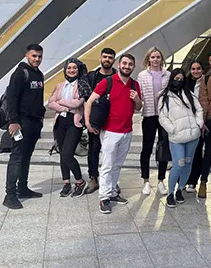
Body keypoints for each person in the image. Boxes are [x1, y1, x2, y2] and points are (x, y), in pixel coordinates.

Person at [84, 54, 143, 214]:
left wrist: (137, 99)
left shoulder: (135, 85)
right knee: (108, 165)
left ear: (133, 66)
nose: (127, 66)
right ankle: (104, 197)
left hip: (127, 131)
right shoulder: (107, 82)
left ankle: (112, 192)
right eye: (124, 63)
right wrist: (88, 122)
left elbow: (138, 107)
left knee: (117, 165)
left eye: (130, 64)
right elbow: (89, 102)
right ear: (119, 64)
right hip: (110, 131)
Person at [3, 44, 46, 209]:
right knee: (17, 157)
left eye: (40, 56)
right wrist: (13, 121)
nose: (37, 59)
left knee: (26, 156)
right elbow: (12, 98)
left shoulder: (39, 74)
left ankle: (22, 188)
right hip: (21, 122)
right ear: (27, 55)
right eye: (34, 56)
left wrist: (41, 118)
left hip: (34, 122)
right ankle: (10, 195)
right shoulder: (20, 73)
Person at [158, 69, 204, 207]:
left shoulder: (189, 94)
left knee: (188, 163)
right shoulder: (164, 96)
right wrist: (172, 129)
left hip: (192, 136)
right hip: (176, 138)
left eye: (181, 79)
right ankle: (170, 193)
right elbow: (162, 117)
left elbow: (199, 109)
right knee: (178, 165)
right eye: (176, 79)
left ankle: (180, 189)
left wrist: (198, 124)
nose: (178, 82)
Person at [48, 58, 91, 198]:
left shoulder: (82, 85)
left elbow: (77, 103)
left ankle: (80, 181)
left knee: (67, 153)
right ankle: (66, 182)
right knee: (62, 154)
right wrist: (65, 107)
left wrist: (60, 102)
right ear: (65, 70)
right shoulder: (60, 85)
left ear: (78, 70)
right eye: (69, 68)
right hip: (60, 122)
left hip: (74, 122)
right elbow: (50, 103)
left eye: (74, 68)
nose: (71, 70)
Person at [188, 50, 211, 198]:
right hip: (209, 120)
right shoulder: (206, 78)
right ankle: (203, 181)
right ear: (209, 63)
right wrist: (203, 121)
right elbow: (203, 101)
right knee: (208, 152)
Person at [137, 47, 171, 195]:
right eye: (153, 57)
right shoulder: (142, 75)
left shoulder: (168, 75)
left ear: (161, 59)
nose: (155, 59)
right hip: (149, 115)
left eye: (158, 57)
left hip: (164, 116)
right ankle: (145, 181)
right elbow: (140, 95)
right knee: (146, 148)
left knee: (163, 147)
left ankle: (161, 180)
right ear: (148, 59)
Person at [84, 48, 117, 194]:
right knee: (94, 149)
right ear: (100, 58)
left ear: (114, 60)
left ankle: (110, 180)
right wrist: (87, 121)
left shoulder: (118, 77)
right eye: (105, 57)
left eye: (110, 57)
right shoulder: (92, 76)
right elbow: (86, 99)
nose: (107, 59)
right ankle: (93, 178)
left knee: (111, 151)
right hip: (96, 120)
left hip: (113, 120)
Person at [184, 60, 205, 193]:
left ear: (202, 70)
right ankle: (183, 179)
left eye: (198, 68)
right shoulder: (186, 83)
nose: (196, 71)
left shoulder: (206, 82)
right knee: (186, 152)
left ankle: (193, 181)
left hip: (201, 122)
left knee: (197, 152)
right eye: (193, 69)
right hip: (187, 122)